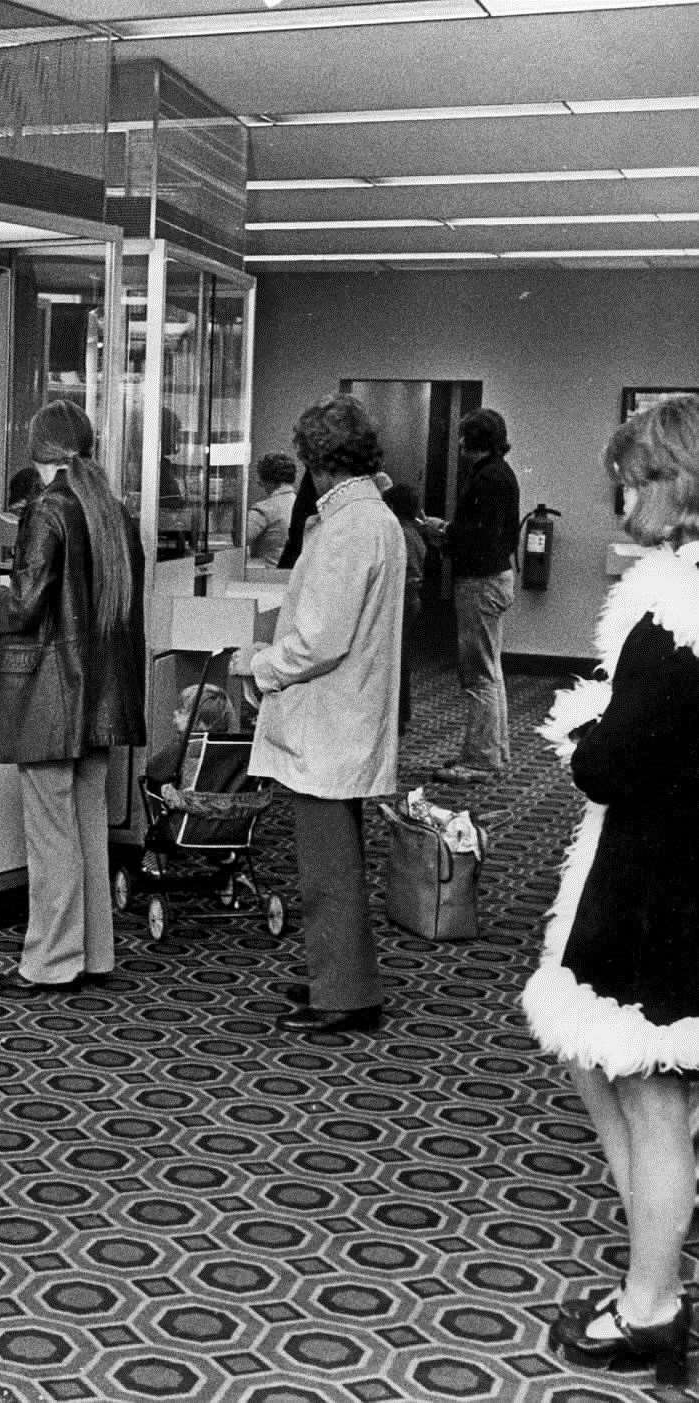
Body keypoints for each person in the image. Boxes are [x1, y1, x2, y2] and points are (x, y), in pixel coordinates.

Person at [523, 394, 699, 1387]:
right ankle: (652, 1271)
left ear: (669, 481)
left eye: (631, 479)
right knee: (622, 1077)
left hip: (660, 878)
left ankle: (650, 1306)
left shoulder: (673, 603)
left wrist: (583, 733)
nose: (621, 498)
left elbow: (613, 762)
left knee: (648, 1095)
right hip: (677, 865)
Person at [237, 394, 404, 1039]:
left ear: (314, 459)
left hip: (330, 719)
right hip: (345, 715)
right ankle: (338, 973)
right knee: (333, 857)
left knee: (327, 862)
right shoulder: (371, 518)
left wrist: (261, 666)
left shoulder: (349, 527)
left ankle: (347, 992)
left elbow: (317, 641)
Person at [0, 400, 145, 998]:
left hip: (52, 693)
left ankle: (50, 960)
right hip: (102, 694)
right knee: (87, 825)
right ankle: (95, 954)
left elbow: (25, 605)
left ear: (38, 450)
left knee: (51, 831)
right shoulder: (114, 512)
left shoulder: (47, 509)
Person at [429, 408, 520, 784]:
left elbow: (477, 537)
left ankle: (481, 760)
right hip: (496, 577)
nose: (460, 442)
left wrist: (444, 533)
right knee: (490, 671)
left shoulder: (486, 479)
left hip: (480, 583)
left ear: (473, 439)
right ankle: (492, 753)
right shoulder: (501, 473)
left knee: (478, 675)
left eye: (464, 436)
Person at [143, 683, 239, 801]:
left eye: (182, 711)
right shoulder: (232, 747)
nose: (175, 713)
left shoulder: (184, 745)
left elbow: (153, 770)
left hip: (185, 811)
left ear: (199, 720)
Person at [384, 482, 429, 734]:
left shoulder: (399, 533)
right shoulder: (414, 532)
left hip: (401, 598)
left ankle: (397, 716)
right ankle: (402, 712)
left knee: (395, 659)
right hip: (412, 598)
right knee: (402, 657)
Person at [244, 452, 300, 567]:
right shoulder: (302, 506)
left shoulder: (264, 509)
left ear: (267, 479)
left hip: (269, 578)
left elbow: (239, 540)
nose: (259, 483)